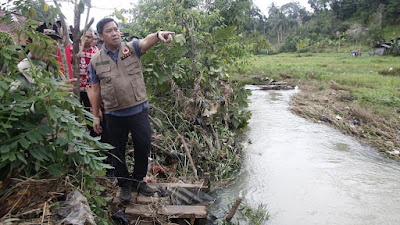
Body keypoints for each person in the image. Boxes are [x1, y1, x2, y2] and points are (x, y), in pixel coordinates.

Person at [88, 18, 174, 202]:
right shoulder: (96, 61)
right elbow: (95, 90)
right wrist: (95, 116)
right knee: (117, 151)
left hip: (138, 110)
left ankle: (139, 180)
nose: (114, 33)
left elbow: (145, 42)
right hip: (113, 114)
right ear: (101, 35)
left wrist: (158, 35)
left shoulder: (131, 48)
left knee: (143, 145)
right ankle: (125, 184)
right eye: (109, 31)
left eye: (116, 29)